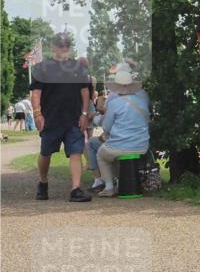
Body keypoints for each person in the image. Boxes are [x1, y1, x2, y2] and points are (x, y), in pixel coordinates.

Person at [30, 33, 92, 202]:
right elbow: (36, 93)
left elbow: (85, 92)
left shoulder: (78, 68)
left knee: (76, 152)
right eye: (60, 45)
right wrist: (37, 113)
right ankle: (42, 182)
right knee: (46, 153)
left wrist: (84, 114)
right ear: (53, 47)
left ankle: (76, 189)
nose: (64, 49)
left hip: (73, 119)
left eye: (66, 46)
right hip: (50, 119)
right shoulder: (42, 68)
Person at [94, 63, 150, 197]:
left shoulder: (114, 103)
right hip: (142, 145)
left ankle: (109, 187)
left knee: (102, 154)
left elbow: (106, 127)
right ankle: (120, 182)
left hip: (120, 146)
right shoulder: (142, 101)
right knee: (112, 152)